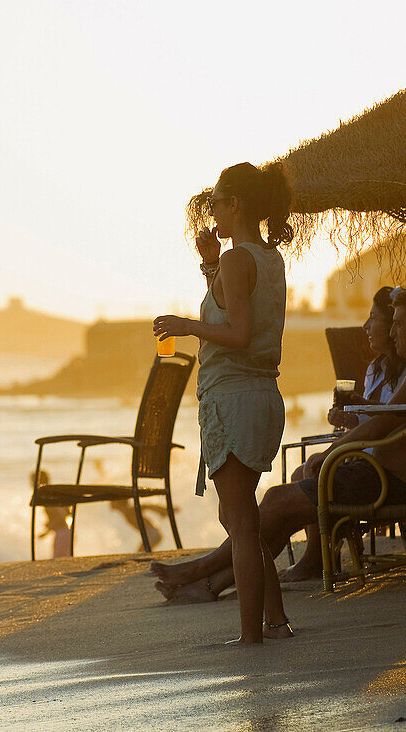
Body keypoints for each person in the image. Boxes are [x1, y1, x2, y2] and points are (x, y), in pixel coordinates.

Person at [151, 288, 406, 608]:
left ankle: (200, 567)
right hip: (382, 476)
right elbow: (387, 421)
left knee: (277, 500)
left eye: (399, 324)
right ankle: (211, 583)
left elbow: (381, 425)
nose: (392, 331)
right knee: (282, 516)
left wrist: (332, 453)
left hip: (387, 482)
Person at [152, 161, 294, 644]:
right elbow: (244, 310)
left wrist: (186, 326)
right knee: (241, 519)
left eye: (215, 203)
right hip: (260, 397)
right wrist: (213, 266)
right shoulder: (267, 258)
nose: (211, 212)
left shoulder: (240, 260)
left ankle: (251, 635)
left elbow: (237, 332)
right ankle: (275, 622)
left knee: (239, 522)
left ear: (235, 204)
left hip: (233, 401)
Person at [281, 286, 406, 581]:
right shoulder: (374, 370)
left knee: (309, 473)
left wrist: (360, 415)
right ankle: (320, 556)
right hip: (364, 451)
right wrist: (346, 419)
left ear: (393, 325)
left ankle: (315, 559)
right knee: (301, 473)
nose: (366, 327)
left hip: (380, 462)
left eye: (373, 319)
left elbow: (394, 419)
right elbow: (371, 422)